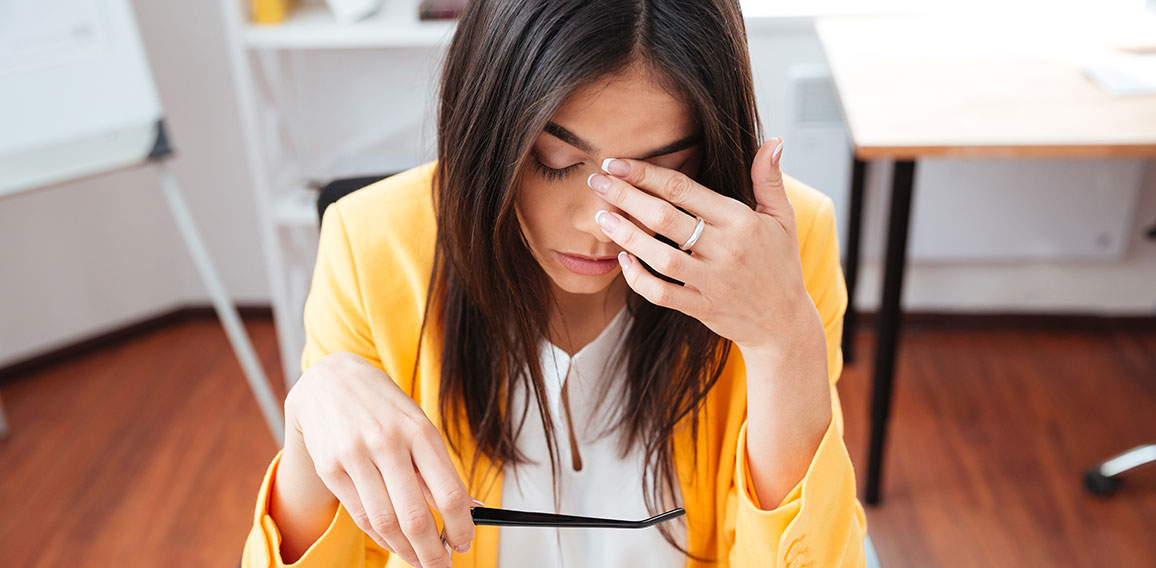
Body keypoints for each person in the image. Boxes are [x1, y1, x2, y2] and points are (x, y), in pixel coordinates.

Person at [241, 0, 867, 566]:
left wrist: (784, 342)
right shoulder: (370, 243)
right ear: (487, 131)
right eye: (556, 162)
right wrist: (308, 424)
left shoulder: (785, 247)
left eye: (656, 174)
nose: (600, 227)